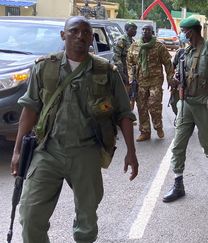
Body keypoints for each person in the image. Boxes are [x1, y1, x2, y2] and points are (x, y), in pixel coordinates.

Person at [10, 16, 138, 243]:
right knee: (30, 217)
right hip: (48, 151)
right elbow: (29, 109)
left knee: (86, 222)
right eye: (74, 31)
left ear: (92, 38)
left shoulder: (106, 71)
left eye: (86, 32)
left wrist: (131, 152)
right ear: (64, 35)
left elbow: (124, 114)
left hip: (86, 152)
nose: (80, 36)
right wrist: (18, 150)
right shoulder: (44, 67)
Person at [162, 16, 208, 203]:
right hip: (185, 103)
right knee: (178, 144)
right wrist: (176, 81)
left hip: (204, 104)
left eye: (184, 32)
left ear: (191, 32)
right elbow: (180, 74)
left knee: (207, 142)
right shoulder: (185, 53)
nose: (183, 35)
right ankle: (178, 184)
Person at [127, 24, 174, 141]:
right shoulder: (135, 46)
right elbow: (129, 62)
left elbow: (168, 63)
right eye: (143, 30)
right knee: (142, 107)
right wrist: (131, 78)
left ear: (152, 32)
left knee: (154, 105)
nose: (145, 32)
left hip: (155, 81)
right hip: (140, 82)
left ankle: (158, 127)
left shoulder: (159, 46)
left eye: (148, 30)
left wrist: (170, 78)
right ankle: (145, 132)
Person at [112, 22, 137, 87]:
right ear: (127, 29)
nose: (135, 31)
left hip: (130, 72)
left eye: (135, 29)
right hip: (122, 72)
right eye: (132, 29)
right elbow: (116, 57)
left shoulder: (133, 41)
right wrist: (122, 74)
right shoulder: (121, 40)